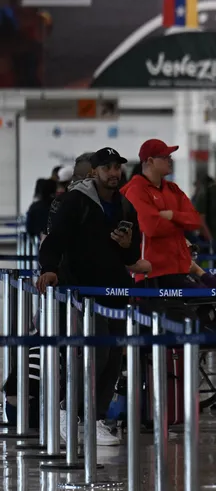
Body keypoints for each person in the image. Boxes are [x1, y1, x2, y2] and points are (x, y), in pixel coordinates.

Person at [36, 147, 151, 446]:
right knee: (93, 355)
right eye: (107, 167)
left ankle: (95, 417)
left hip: (115, 291)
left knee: (113, 357)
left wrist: (127, 246)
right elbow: (55, 239)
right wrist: (48, 269)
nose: (113, 173)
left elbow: (129, 254)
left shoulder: (126, 207)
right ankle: (67, 410)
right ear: (94, 172)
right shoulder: (75, 202)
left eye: (117, 167)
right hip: (83, 293)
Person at [120, 139, 202, 284]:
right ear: (150, 161)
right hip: (152, 275)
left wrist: (172, 215)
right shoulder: (135, 190)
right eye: (165, 157)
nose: (170, 161)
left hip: (179, 269)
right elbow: (152, 227)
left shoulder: (173, 189)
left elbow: (195, 221)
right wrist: (180, 223)